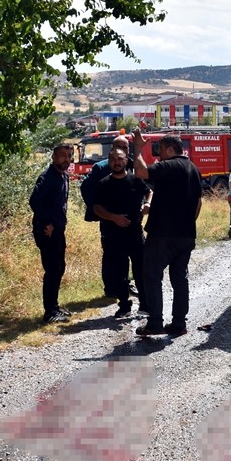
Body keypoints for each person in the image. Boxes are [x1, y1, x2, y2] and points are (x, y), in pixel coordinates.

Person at [133, 129, 202, 338]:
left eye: (160, 149)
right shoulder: (194, 169)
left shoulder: (169, 165)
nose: (158, 155)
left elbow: (140, 172)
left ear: (171, 149)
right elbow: (198, 203)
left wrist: (137, 148)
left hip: (163, 234)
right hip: (186, 234)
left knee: (151, 275)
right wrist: (187, 223)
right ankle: (179, 324)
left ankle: (155, 323)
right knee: (179, 278)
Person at [91, 148, 152, 318]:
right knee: (119, 273)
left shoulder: (135, 180)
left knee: (141, 271)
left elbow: (149, 192)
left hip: (135, 235)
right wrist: (113, 217)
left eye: (119, 159)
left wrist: (147, 205)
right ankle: (124, 306)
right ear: (109, 162)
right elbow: (96, 207)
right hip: (113, 236)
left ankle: (145, 305)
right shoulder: (103, 184)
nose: (116, 162)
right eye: (112, 160)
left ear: (126, 161)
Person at [80, 133, 132, 299]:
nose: (122, 150)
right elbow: (86, 188)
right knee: (110, 253)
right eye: (119, 147)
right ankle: (110, 288)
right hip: (109, 219)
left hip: (127, 219)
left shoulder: (131, 165)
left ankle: (124, 284)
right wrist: (98, 209)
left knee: (126, 253)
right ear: (112, 149)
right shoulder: (101, 167)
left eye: (125, 147)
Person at [29, 143, 72, 324]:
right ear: (54, 157)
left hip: (58, 230)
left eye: (69, 156)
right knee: (53, 270)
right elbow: (34, 201)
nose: (66, 159)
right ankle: (49, 313)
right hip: (46, 231)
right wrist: (47, 222)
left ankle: (54, 306)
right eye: (62, 155)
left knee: (58, 268)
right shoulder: (47, 178)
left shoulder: (63, 176)